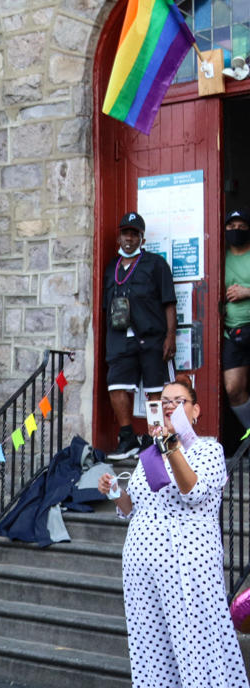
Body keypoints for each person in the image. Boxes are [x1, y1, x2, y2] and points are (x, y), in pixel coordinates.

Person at [98, 377, 250, 688]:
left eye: (178, 401)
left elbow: (192, 492)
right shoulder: (149, 454)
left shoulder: (209, 450)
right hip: (142, 569)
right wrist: (115, 491)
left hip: (187, 565)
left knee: (195, 644)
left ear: (195, 412)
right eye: (163, 401)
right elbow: (135, 508)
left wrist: (170, 447)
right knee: (151, 648)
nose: (168, 405)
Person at [102, 212, 177, 460]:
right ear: (119, 237)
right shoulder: (111, 267)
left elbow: (169, 302)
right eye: (126, 233)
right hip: (119, 338)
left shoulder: (156, 264)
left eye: (135, 234)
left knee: (155, 391)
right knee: (116, 385)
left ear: (142, 239)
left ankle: (154, 439)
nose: (129, 238)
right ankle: (127, 439)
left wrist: (170, 337)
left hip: (151, 337)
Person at [224, 209, 250, 431]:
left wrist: (247, 292)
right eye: (231, 227)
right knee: (233, 389)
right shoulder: (218, 256)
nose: (236, 231)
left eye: (242, 227)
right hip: (232, 332)